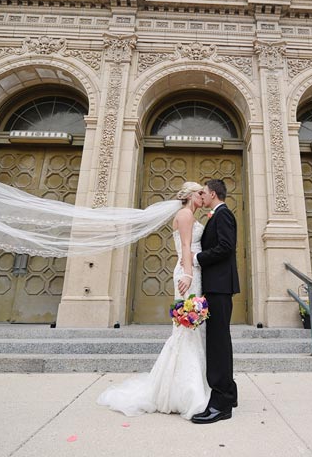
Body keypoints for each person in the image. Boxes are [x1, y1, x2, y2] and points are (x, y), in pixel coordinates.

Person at [96, 181, 210, 419]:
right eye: (200, 192)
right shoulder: (185, 214)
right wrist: (189, 274)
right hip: (189, 273)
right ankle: (188, 392)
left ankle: (185, 386)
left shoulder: (189, 214)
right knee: (188, 327)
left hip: (192, 271)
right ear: (190, 195)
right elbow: (187, 246)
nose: (203, 196)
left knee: (190, 329)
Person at [188, 179, 240, 424]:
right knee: (219, 340)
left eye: (204, 193)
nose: (203, 196)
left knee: (218, 343)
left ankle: (221, 404)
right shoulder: (217, 215)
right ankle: (229, 392)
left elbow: (226, 248)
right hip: (216, 286)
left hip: (220, 287)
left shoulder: (223, 215)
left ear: (213, 194)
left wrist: (197, 257)